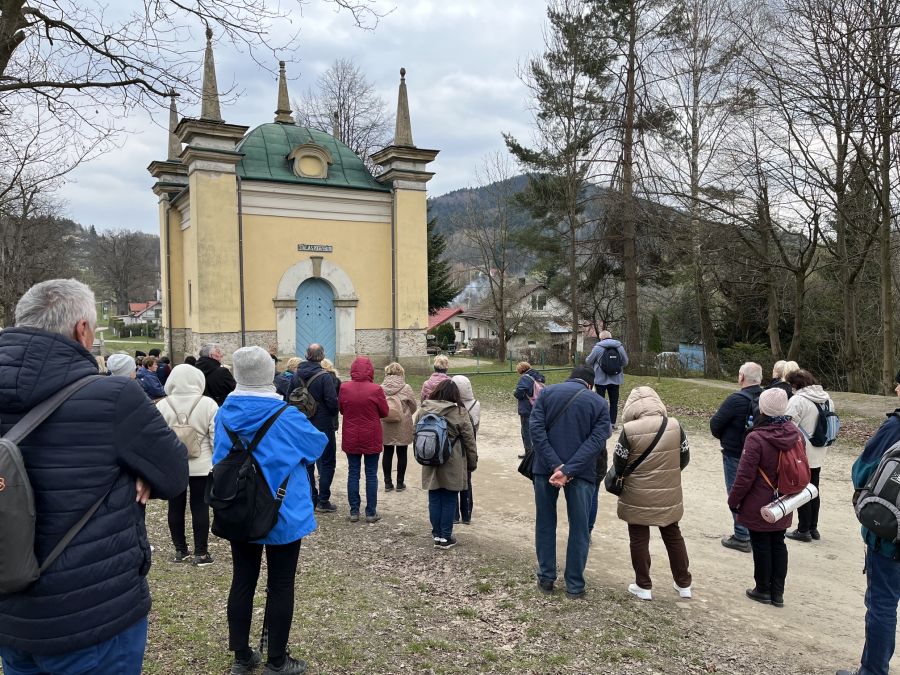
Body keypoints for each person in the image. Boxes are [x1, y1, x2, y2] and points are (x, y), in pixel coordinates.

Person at [0, 279, 188, 675]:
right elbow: (173, 475)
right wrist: (137, 469)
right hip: (92, 613)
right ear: (82, 330)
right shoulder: (114, 397)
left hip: (10, 607)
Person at [214, 346, 326, 675]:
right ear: (269, 375)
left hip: (238, 505)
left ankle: (242, 656)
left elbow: (219, 455)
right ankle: (276, 660)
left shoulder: (224, 413)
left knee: (242, 579)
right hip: (282, 508)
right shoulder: (286, 416)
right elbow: (317, 445)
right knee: (280, 583)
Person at [835, 370, 900, 675]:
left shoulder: (894, 427)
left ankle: (873, 671)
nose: (896, 388)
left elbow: (862, 472)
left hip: (890, 539)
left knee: (882, 605)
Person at [529, 365, 611, 597]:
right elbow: (597, 441)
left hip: (545, 469)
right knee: (579, 528)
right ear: (590, 385)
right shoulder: (599, 403)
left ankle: (546, 578)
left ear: (570, 378)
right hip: (582, 472)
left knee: (545, 522)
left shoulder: (546, 393)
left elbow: (536, 430)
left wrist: (555, 465)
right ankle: (574, 585)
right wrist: (569, 469)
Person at [612, 387, 692, 601]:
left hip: (636, 491)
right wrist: (668, 474)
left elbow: (619, 463)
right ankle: (684, 583)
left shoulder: (629, 430)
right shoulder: (675, 425)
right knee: (673, 535)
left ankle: (643, 585)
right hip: (668, 490)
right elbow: (684, 457)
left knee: (638, 537)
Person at [727, 388, 800, 608]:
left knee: (761, 543)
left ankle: (763, 589)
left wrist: (734, 500)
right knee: (778, 542)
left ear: (762, 409)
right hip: (784, 498)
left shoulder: (756, 437)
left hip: (759, 499)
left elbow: (744, 476)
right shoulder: (795, 434)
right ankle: (777, 592)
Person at [156, 364, 219, 566]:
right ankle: (201, 552)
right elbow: (215, 436)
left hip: (173, 464)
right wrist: (217, 461)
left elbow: (157, 438)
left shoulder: (163, 405)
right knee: (200, 507)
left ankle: (180, 549)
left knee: (175, 507)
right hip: (202, 464)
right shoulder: (207, 403)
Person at [414, 380, 478, 549]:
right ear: (455, 395)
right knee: (449, 498)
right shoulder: (459, 412)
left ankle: (436, 534)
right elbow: (469, 441)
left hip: (430, 459)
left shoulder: (424, 409)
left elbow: (416, 433)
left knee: (434, 497)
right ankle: (446, 536)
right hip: (453, 460)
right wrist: (472, 462)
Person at [710, 361, 764, 553]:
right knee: (756, 493)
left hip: (735, 453)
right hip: (760, 454)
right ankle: (755, 532)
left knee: (736, 492)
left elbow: (715, 425)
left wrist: (726, 438)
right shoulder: (766, 398)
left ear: (741, 377)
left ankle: (742, 535)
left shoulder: (735, 400)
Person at [784, 369, 835, 543]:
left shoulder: (798, 400)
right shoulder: (827, 399)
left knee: (802, 490)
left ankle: (803, 529)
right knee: (814, 488)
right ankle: (813, 528)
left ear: (796, 384)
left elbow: (787, 426)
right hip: (820, 450)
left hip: (802, 451)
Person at [289, 345, 339, 513]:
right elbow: (332, 402)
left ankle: (311, 497)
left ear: (306, 355)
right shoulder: (325, 377)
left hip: (302, 423)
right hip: (322, 424)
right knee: (327, 462)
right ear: (322, 356)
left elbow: (288, 399)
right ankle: (323, 500)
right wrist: (331, 415)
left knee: (307, 462)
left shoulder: (296, 375)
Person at [339, 356, 389, 523]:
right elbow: (384, 412)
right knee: (371, 474)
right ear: (370, 370)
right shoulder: (376, 389)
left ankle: (354, 511)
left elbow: (342, 409)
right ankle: (370, 512)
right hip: (371, 435)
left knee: (353, 473)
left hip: (351, 434)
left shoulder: (344, 388)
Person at [380, 362, 417, 492]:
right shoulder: (406, 388)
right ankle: (400, 483)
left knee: (387, 452)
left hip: (385, 423)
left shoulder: (381, 388)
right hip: (402, 424)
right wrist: (406, 414)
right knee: (402, 453)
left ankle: (387, 483)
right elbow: (413, 406)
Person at [585, 330, 629, 428]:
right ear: (611, 337)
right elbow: (625, 362)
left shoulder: (598, 347)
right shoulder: (619, 347)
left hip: (600, 380)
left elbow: (588, 361)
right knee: (614, 402)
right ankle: (612, 423)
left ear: (601, 338)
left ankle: (600, 423)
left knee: (599, 402)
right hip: (616, 379)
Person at [452, 374, 480, 524]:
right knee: (467, 480)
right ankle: (467, 513)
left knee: (453, 480)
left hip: (455, 446)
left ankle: (455, 515)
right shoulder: (476, 404)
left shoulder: (451, 407)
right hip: (470, 444)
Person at [514, 361, 545, 460]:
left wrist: (515, 393)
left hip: (527, 408)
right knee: (537, 430)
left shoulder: (525, 378)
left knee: (526, 431)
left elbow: (519, 393)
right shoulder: (538, 376)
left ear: (520, 370)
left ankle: (529, 454)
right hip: (538, 406)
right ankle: (538, 451)